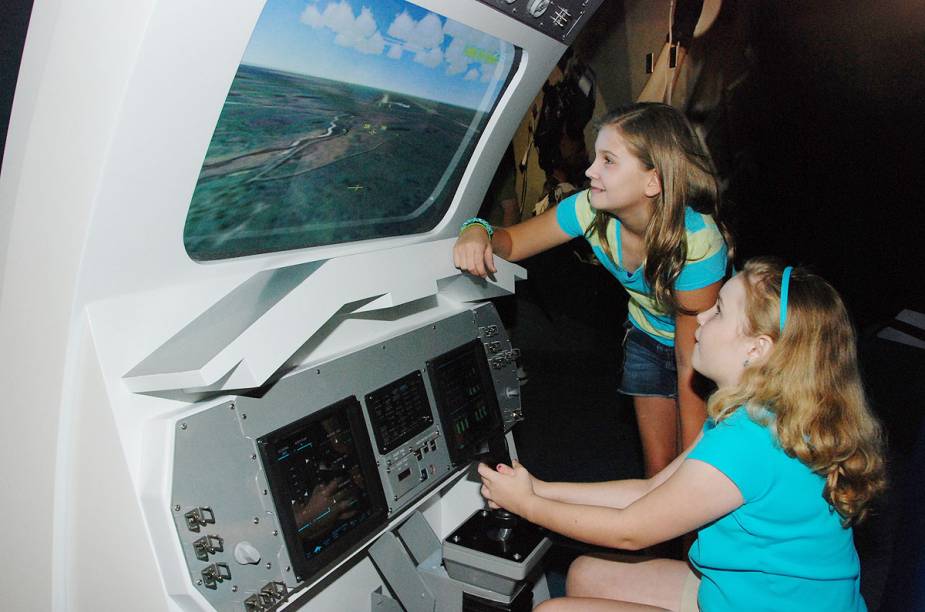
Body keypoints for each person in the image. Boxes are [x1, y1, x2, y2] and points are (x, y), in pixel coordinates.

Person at [478, 258, 887, 611]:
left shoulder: (749, 441)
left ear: (757, 349)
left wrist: (529, 507)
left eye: (721, 311)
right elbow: (651, 490)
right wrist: (542, 489)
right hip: (755, 597)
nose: (702, 316)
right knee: (586, 573)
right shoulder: (754, 414)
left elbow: (631, 530)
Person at [455, 102, 732, 478]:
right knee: (658, 471)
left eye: (608, 161)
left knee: (693, 470)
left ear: (654, 181)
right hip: (646, 339)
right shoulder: (589, 210)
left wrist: (693, 461)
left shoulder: (696, 243)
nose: (589, 171)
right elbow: (513, 243)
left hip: (703, 351)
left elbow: (689, 357)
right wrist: (477, 229)